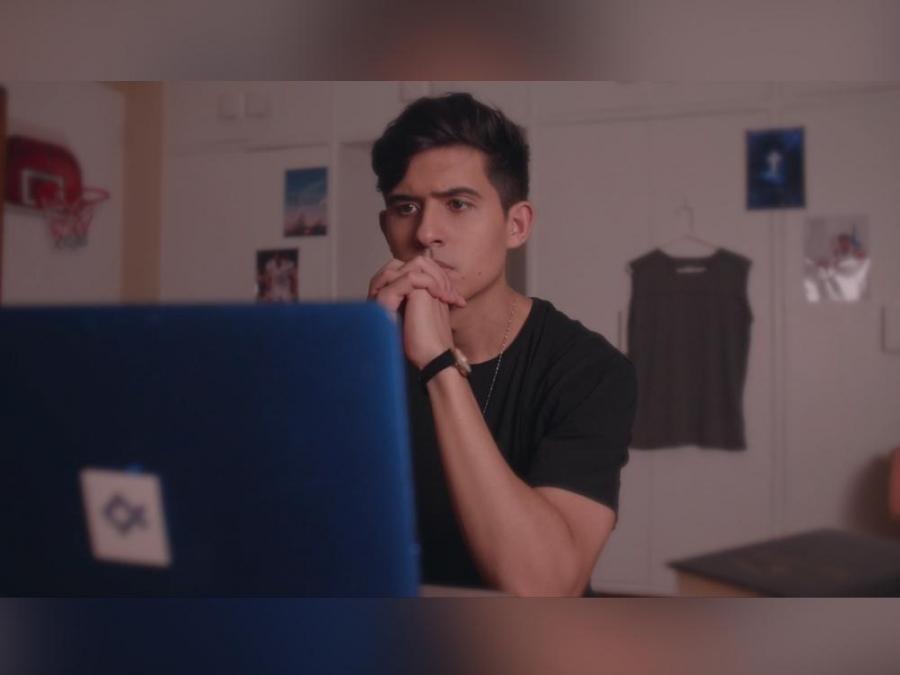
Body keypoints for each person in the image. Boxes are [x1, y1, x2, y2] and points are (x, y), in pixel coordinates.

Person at [367, 93, 636, 597]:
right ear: (387, 228)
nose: (426, 233)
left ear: (517, 226)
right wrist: (363, 359)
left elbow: (544, 586)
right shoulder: (356, 353)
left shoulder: (590, 370)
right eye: (406, 208)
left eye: (458, 204)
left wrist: (438, 363)